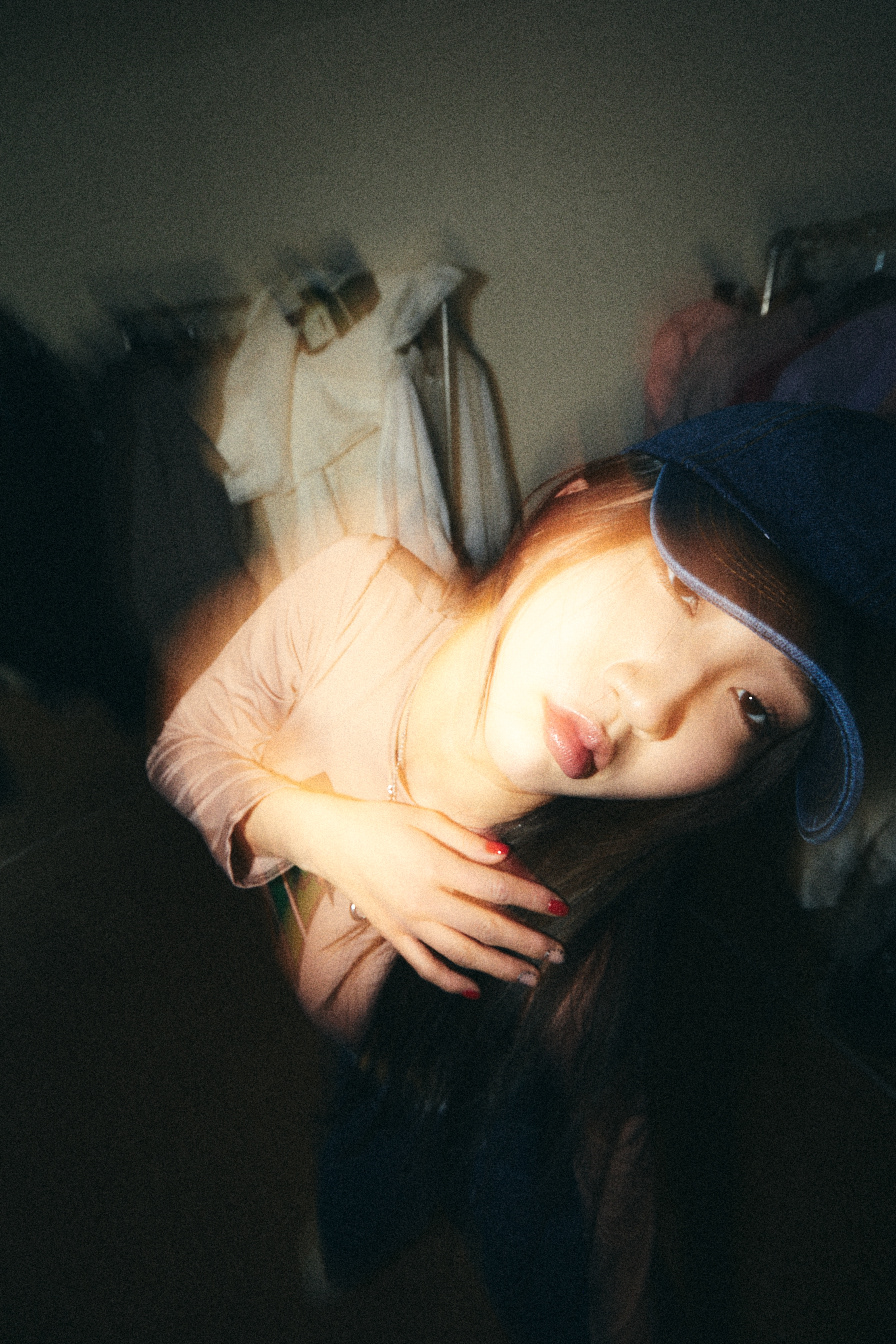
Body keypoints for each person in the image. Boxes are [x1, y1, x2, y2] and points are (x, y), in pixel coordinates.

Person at [147, 402, 896, 1343]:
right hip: (365, 1048)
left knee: (533, 1228)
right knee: (365, 1138)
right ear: (573, 509)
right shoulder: (354, 600)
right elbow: (189, 744)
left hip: (499, 1083)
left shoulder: (601, 896)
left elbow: (611, 1126)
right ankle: (353, 1230)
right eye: (678, 586)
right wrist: (328, 831)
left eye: (752, 706)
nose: (652, 704)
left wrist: (625, 1310)